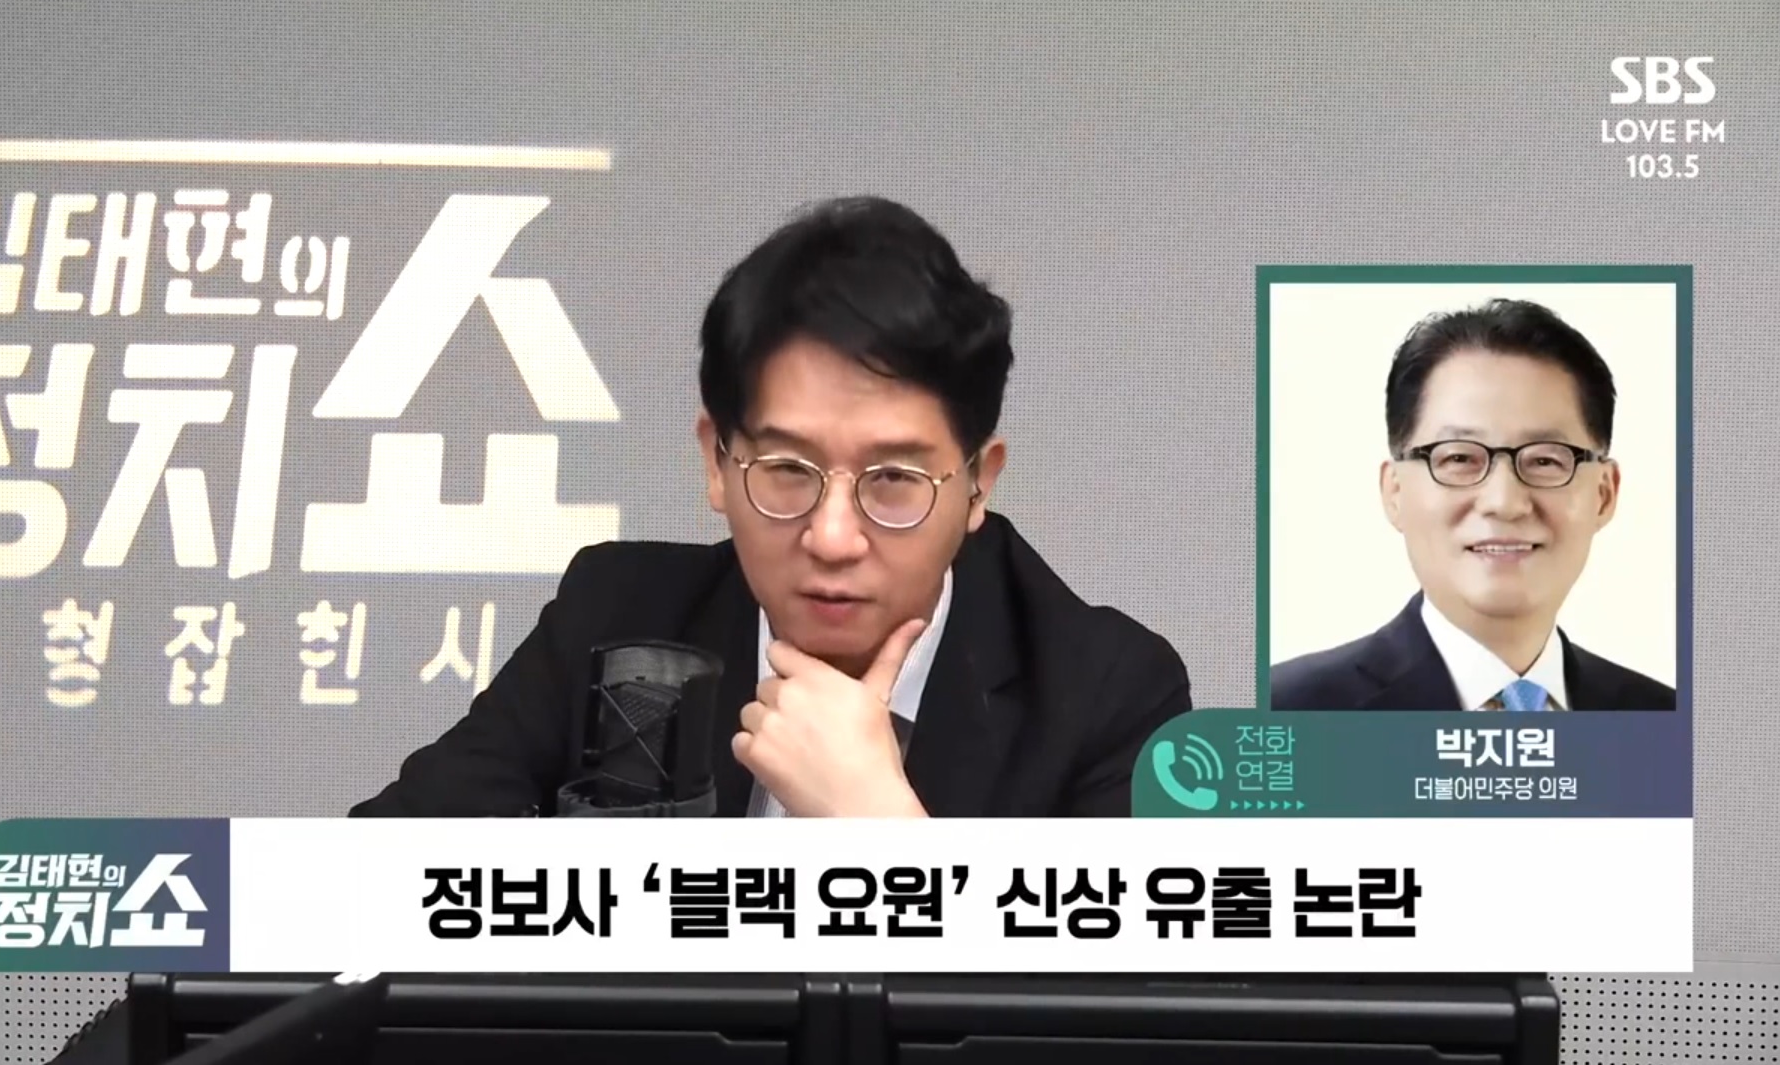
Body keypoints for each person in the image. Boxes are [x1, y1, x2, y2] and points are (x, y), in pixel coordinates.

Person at [352, 196, 1192, 818]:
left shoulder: (1101, 692)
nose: (832, 536)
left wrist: (885, 838)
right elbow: (370, 882)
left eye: (892, 480)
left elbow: (1128, 993)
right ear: (716, 462)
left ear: (979, 482)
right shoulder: (617, 615)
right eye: (788, 470)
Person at [1271, 297, 1674, 712]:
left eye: (1545, 461)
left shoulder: (1670, 719)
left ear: (1605, 494)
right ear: (1395, 492)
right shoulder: (1283, 712)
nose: (1505, 502)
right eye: (1460, 458)